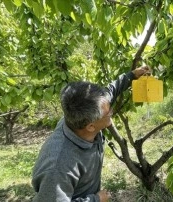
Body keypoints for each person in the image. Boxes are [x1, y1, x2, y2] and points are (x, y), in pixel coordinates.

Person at [32, 66, 150, 202]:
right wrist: (96, 199)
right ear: (91, 126)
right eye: (108, 113)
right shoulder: (58, 167)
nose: (111, 112)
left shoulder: (80, 116)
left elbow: (111, 91)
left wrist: (132, 75)